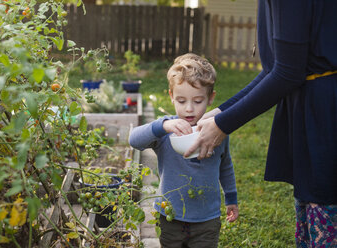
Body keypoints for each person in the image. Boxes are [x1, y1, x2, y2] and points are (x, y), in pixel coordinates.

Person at [184, 1, 337, 247]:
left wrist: (223, 125)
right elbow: (274, 70)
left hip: (325, 110)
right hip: (308, 105)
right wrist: (220, 112)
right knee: (310, 205)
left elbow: (288, 73)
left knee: (324, 203)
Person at [129, 54, 239, 248]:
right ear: (171, 96)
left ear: (210, 98)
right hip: (170, 216)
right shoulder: (167, 130)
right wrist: (162, 126)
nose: (189, 109)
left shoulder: (216, 131)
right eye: (181, 101)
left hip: (207, 219)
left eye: (197, 101)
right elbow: (134, 140)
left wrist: (231, 198)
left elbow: (225, 165)